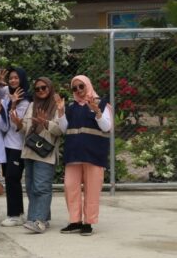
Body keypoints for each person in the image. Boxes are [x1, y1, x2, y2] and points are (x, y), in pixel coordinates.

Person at [58, 75, 112, 236]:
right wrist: (60, 113)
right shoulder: (70, 107)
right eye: (75, 88)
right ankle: (75, 221)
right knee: (70, 187)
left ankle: (88, 223)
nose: (79, 90)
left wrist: (97, 112)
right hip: (73, 154)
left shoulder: (101, 103)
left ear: (88, 85)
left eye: (81, 86)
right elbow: (63, 129)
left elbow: (107, 127)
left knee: (92, 189)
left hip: (94, 154)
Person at [16, 77, 64, 234]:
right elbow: (25, 128)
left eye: (44, 88)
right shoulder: (32, 105)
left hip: (45, 152)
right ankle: (39, 217)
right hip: (30, 151)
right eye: (37, 89)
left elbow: (60, 130)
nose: (41, 91)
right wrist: (18, 124)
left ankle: (39, 220)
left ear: (50, 88)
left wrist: (46, 123)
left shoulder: (57, 107)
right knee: (30, 187)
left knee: (41, 187)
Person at [0, 67, 31, 227]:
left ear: (22, 79)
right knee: (10, 178)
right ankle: (18, 212)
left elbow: (15, 124)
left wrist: (12, 105)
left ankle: (15, 214)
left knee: (13, 178)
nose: (13, 81)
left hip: (18, 145)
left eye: (16, 78)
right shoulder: (7, 91)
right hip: (7, 144)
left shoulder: (25, 100)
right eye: (11, 78)